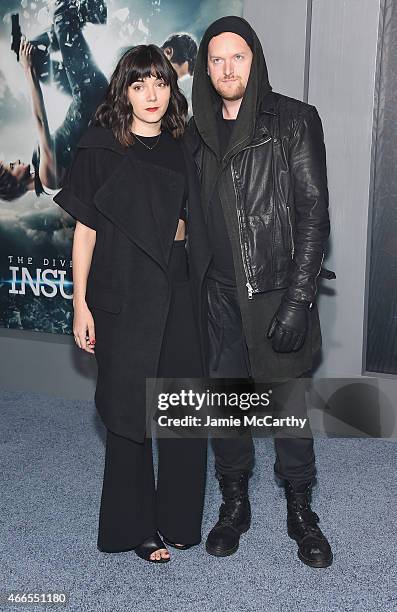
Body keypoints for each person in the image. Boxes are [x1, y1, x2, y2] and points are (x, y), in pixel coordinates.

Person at [186, 15, 336, 567]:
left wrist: (298, 302)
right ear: (206, 67)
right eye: (216, 59)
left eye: (237, 57)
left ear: (255, 60)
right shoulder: (195, 130)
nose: (227, 69)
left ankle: (301, 511)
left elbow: (314, 215)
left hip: (275, 294)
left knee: (288, 413)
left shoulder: (294, 120)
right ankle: (234, 505)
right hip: (215, 298)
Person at [53, 44, 211, 563]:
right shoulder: (99, 148)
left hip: (178, 288)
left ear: (173, 87)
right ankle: (136, 528)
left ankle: (180, 520)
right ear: (123, 90)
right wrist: (80, 304)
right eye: (139, 84)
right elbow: (84, 234)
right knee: (129, 412)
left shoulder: (183, 144)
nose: (151, 95)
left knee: (184, 408)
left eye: (160, 83)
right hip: (122, 292)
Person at [0, 0, 108, 201]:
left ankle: (83, 16)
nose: (15, 160)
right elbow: (41, 121)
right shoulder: (49, 180)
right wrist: (27, 70)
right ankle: (86, 14)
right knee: (61, 15)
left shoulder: (41, 172)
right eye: (12, 167)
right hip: (92, 96)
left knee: (30, 51)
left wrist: (27, 62)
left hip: (84, 97)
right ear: (13, 184)